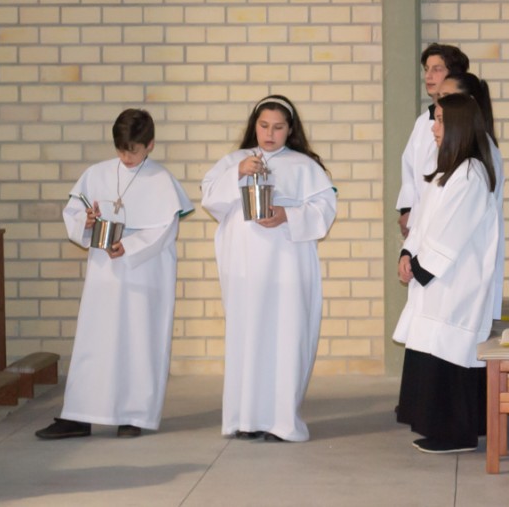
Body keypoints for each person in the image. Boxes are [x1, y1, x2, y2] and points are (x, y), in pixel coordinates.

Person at [36, 109, 193, 440]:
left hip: (144, 274)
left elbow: (165, 229)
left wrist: (130, 246)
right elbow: (74, 213)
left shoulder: (161, 180)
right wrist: (86, 222)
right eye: (121, 150)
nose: (126, 157)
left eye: (133, 150)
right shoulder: (97, 173)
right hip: (105, 274)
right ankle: (79, 415)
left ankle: (133, 415)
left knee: (139, 341)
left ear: (150, 145)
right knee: (94, 341)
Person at [202, 95, 336, 442]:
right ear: (255, 126)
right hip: (244, 267)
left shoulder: (305, 166)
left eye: (278, 127)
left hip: (287, 266)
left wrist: (287, 214)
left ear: (290, 130)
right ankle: (245, 419)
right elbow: (210, 199)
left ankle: (281, 421)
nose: (270, 133)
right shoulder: (234, 161)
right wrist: (237, 173)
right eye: (264, 126)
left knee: (285, 337)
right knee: (247, 338)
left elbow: (324, 211)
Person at [394, 93, 499, 454]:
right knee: (434, 350)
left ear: (459, 126)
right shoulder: (448, 170)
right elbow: (423, 221)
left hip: (456, 283)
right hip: (439, 280)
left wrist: (421, 267)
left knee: (449, 354)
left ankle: (456, 434)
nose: (433, 128)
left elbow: (450, 232)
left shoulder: (470, 174)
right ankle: (442, 427)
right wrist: (408, 252)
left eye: (440, 121)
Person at [436, 71, 505, 319]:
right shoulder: (464, 150)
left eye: (448, 96)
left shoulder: (475, 163)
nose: (440, 102)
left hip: (466, 266)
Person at [396, 43, 469, 237]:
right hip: (420, 221)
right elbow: (409, 168)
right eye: (426, 69)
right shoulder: (422, 122)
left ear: (454, 75)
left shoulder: (467, 123)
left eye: (437, 69)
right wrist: (406, 210)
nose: (428, 76)